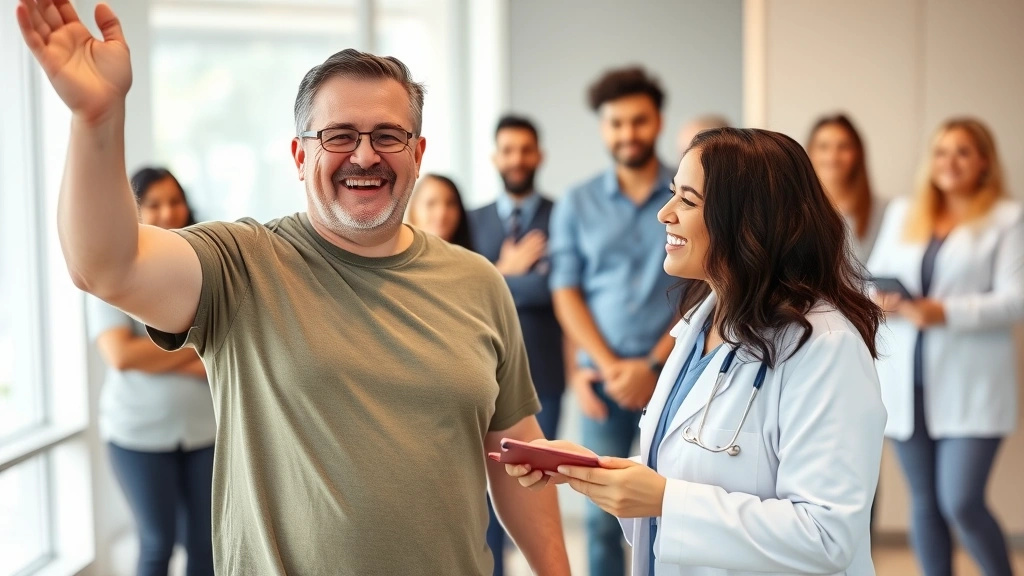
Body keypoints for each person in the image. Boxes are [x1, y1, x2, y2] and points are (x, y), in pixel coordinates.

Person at [15, 2, 569, 575]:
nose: (365, 155)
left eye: (388, 135)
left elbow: (514, 451)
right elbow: (104, 266)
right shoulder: (241, 266)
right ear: (300, 155)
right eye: (339, 136)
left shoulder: (479, 282)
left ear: (417, 154)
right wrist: (97, 120)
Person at [510, 128, 888, 575]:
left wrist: (666, 501)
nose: (664, 213)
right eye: (672, 194)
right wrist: (591, 470)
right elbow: (692, 462)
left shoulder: (826, 347)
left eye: (687, 201)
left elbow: (827, 536)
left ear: (746, 220)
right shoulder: (701, 324)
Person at [867, 118, 1022, 576]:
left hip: (972, 385)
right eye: (941, 152)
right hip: (906, 383)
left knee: (961, 501)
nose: (949, 162)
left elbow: (1016, 300)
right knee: (925, 503)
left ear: (985, 162)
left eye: (963, 152)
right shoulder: (904, 213)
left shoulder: (1007, 218)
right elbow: (869, 277)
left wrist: (944, 312)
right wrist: (882, 300)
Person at [548, 66, 678, 576]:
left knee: (672, 507)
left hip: (674, 374)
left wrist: (652, 364)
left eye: (638, 121)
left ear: (658, 121)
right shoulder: (577, 202)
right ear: (603, 128)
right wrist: (606, 367)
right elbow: (566, 292)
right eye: (616, 123)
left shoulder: (687, 193)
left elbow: (704, 287)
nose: (628, 133)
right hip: (601, 383)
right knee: (600, 513)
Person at [88, 167, 214, 576]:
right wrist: (194, 348)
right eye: (154, 204)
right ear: (134, 212)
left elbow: (225, 349)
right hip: (138, 436)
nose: (168, 212)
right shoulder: (112, 271)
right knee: (157, 544)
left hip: (205, 433)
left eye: (175, 201)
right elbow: (121, 355)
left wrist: (159, 355)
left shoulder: (208, 266)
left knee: (206, 545)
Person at [468, 114, 563, 576]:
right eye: (508, 150)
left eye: (526, 150)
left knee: (534, 485)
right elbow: (463, 291)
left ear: (539, 155)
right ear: (495, 157)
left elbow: (556, 290)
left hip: (544, 373)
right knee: (484, 496)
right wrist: (506, 272)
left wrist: (492, 276)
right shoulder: (471, 220)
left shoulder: (562, 216)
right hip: (478, 371)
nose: (517, 159)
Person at [807, 113, 888, 264]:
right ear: (810, 152)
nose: (833, 157)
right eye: (823, 147)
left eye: (843, 147)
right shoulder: (795, 209)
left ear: (857, 153)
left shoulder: (885, 211)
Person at [406, 173, 474, 250]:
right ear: (413, 210)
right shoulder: (398, 255)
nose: (442, 213)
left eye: (450, 203)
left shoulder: (473, 257)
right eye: (431, 203)